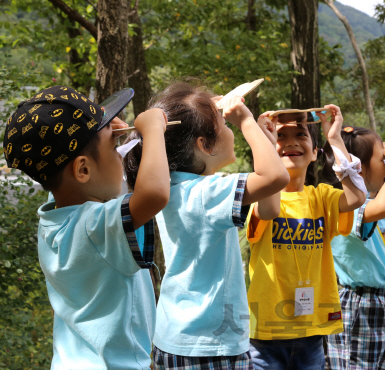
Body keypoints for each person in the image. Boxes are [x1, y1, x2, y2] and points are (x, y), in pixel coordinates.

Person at [123, 82, 290, 370]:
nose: (232, 130)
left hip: (176, 338)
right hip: (211, 347)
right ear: (204, 144)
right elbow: (276, 177)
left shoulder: (172, 185)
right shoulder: (206, 193)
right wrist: (247, 121)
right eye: (225, 124)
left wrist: (262, 137)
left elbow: (271, 208)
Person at [3, 85, 170, 369]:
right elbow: (154, 194)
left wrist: (105, 139)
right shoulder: (95, 227)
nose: (120, 154)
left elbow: (90, 182)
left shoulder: (54, 216)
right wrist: (153, 131)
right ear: (82, 170)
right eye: (115, 148)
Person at [245, 105, 366, 370]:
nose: (290, 143)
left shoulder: (321, 197)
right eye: (281, 137)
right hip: (267, 331)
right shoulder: (261, 199)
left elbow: (357, 197)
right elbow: (270, 210)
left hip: (312, 329)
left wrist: (334, 138)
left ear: (314, 154)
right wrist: (265, 147)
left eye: (301, 135)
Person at [323, 126, 385, 369]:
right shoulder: (343, 204)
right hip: (358, 304)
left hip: (379, 302)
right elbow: (384, 206)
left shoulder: (364, 202)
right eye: (381, 159)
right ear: (360, 168)